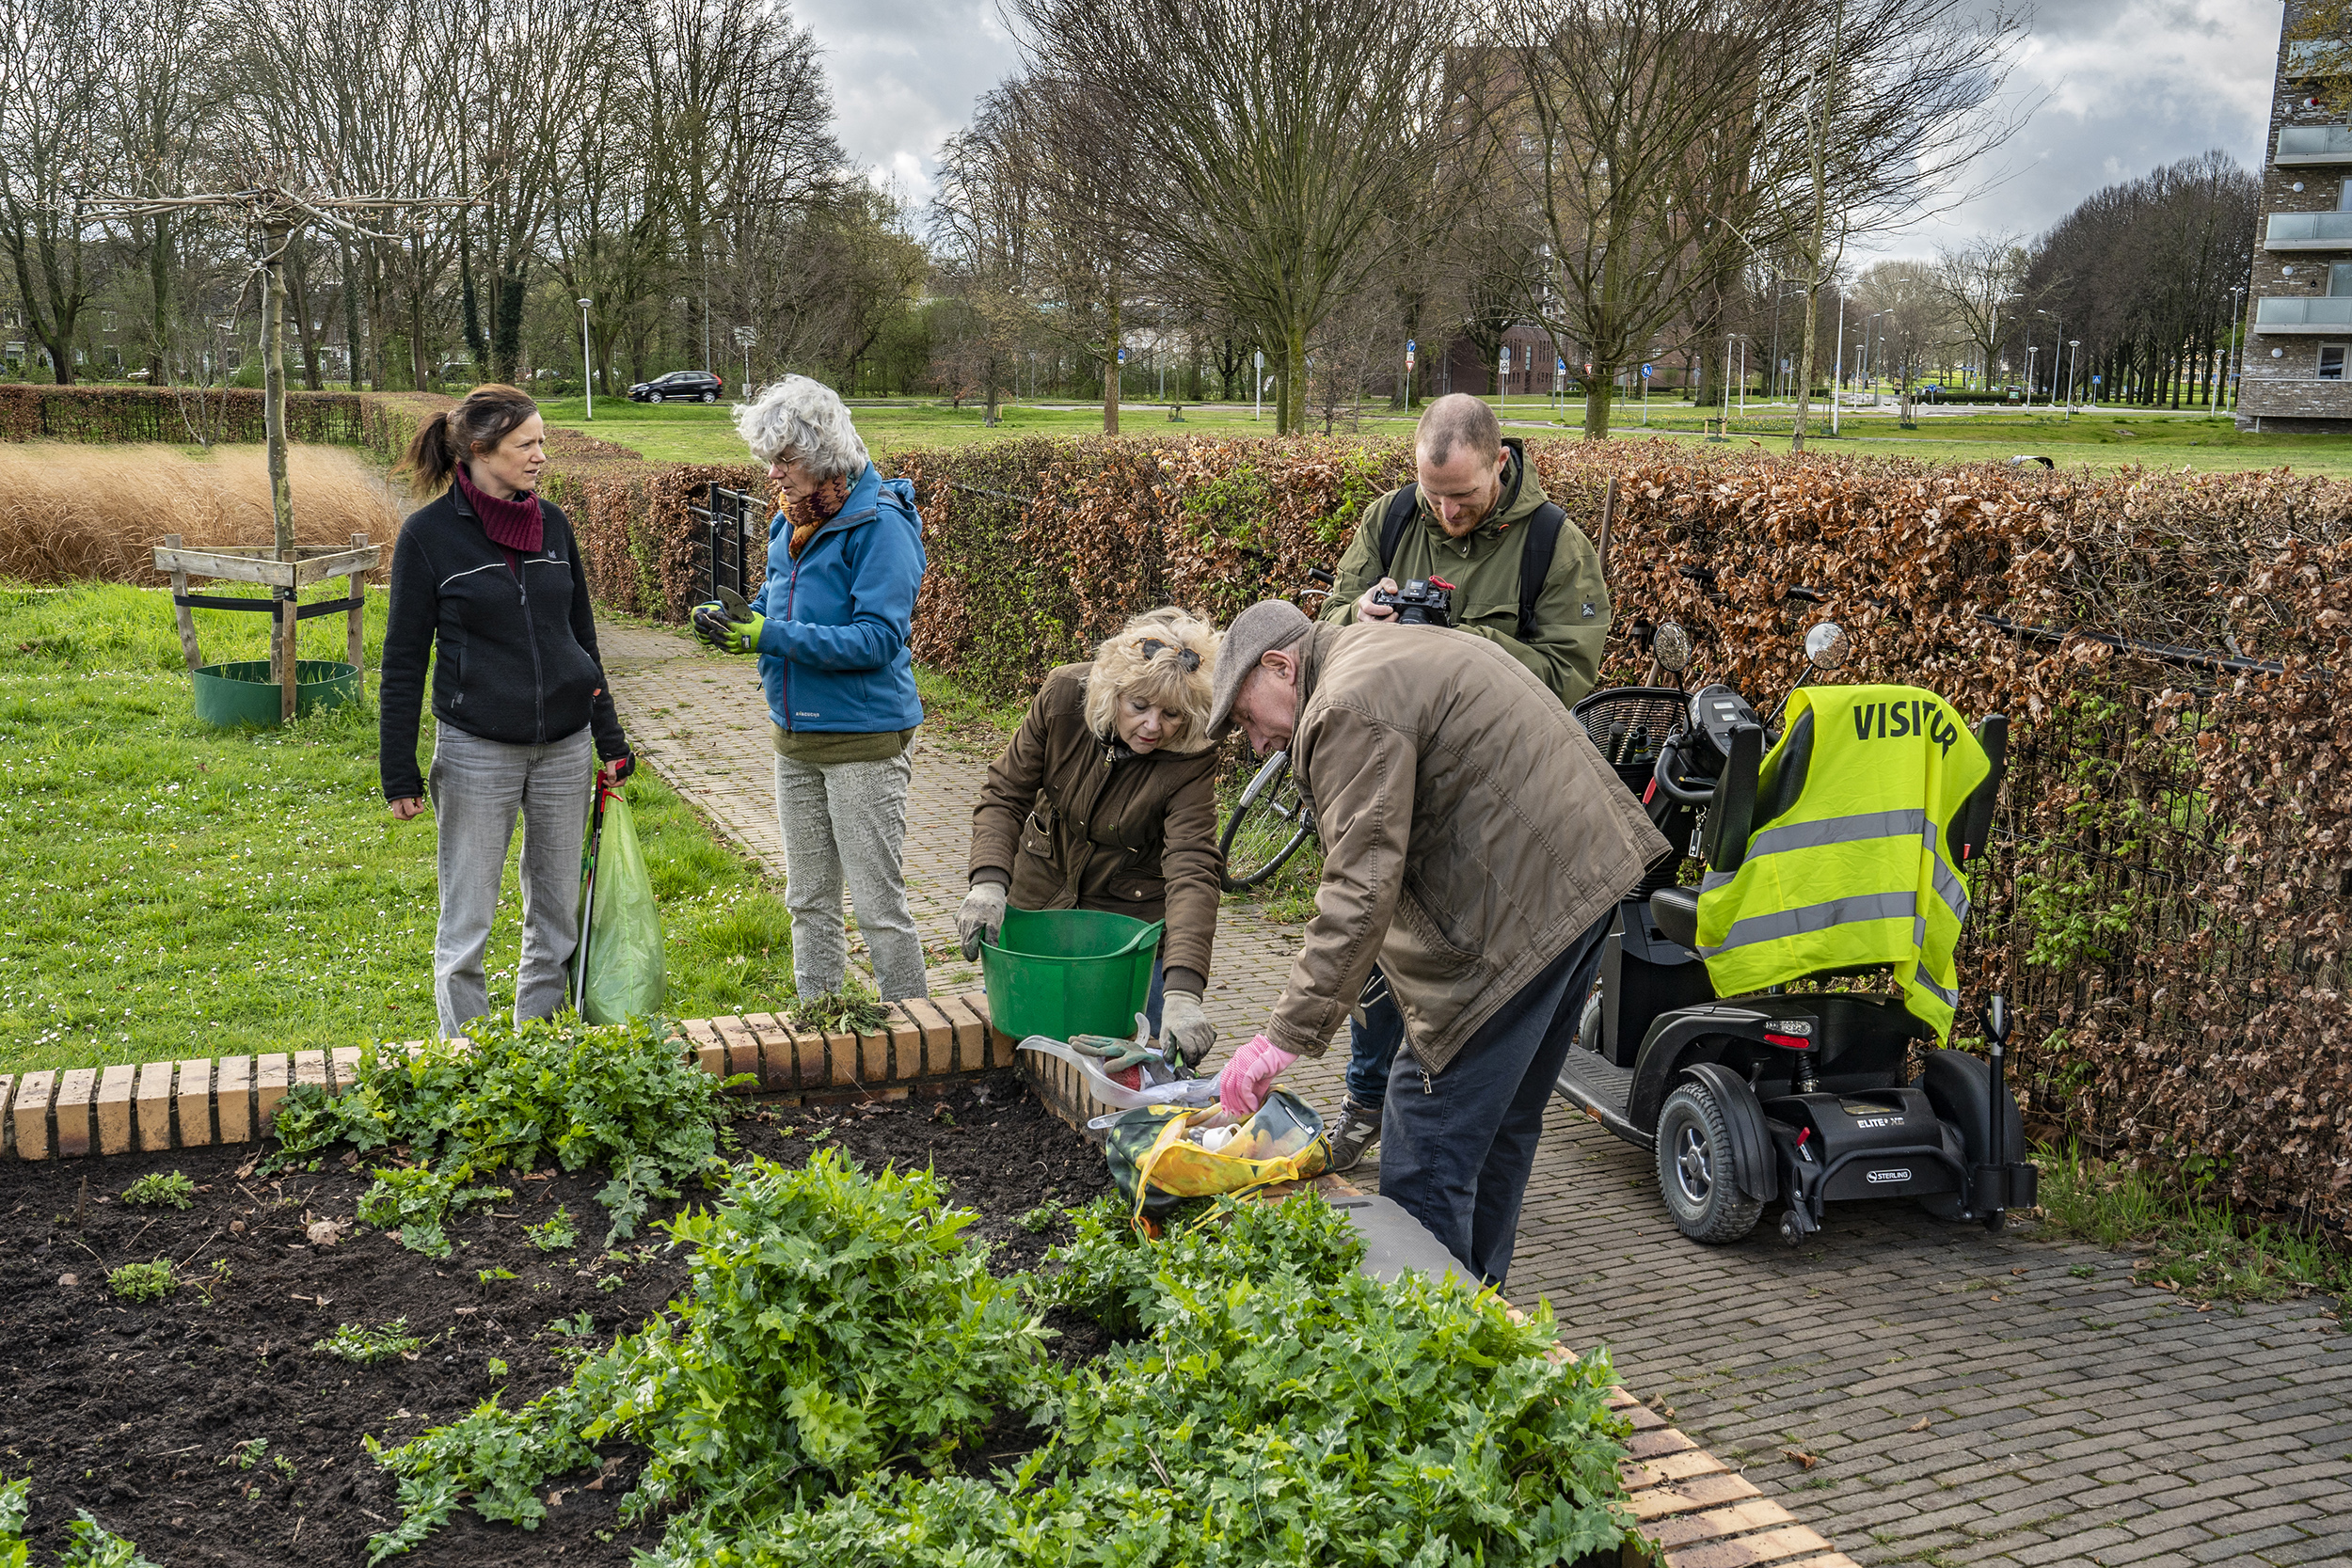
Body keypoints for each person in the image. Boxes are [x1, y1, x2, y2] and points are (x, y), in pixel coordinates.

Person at [1205, 599, 1666, 1289]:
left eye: (1246, 716)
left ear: (1280, 664)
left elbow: (1360, 887)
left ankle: (1426, 1343)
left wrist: (1282, 1037)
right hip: (1580, 879)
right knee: (1504, 1120)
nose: (1256, 742)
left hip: (1517, 913)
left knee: (1427, 1133)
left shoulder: (1344, 704)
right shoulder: (1379, 653)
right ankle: (1483, 1315)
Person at [1314, 392, 1613, 1173]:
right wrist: (1364, 616)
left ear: (1500, 464)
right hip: (1396, 772)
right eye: (1433, 495)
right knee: (1382, 939)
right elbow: (1331, 618)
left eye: (1465, 496)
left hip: (1492, 800)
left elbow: (1568, 672)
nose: (1446, 512)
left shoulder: (1555, 544)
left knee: (1472, 963)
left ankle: (1465, 1125)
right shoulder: (1389, 521)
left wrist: (1458, 650)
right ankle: (1365, 1098)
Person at [380, 384, 633, 1039]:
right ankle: (468, 1069)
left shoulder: (555, 525)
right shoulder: (428, 538)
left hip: (565, 748)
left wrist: (610, 739)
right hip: (475, 750)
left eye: (541, 441)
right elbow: (404, 660)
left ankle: (539, 1053)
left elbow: (583, 638)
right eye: (527, 443)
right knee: (467, 923)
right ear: (478, 450)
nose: (541, 455)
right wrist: (398, 770)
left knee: (556, 919)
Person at [697, 375, 929, 1003]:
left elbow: (877, 640)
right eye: (768, 459)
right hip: (794, 737)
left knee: (879, 908)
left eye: (786, 459)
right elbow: (776, 607)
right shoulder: (788, 523)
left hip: (865, 741)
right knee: (808, 901)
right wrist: (740, 621)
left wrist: (771, 636)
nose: (773, 474)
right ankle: (819, 1029)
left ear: (824, 454)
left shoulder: (882, 526)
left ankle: (923, 1038)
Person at [959, 608, 1223, 1066]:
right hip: (1039, 910)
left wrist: (1184, 992)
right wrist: (987, 883)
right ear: (1112, 692)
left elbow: (1193, 867)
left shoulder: (1192, 755)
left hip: (1125, 933)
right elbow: (1004, 794)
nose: (1153, 727)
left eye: (1172, 714)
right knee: (1021, 1054)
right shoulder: (1063, 698)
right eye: (1138, 706)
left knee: (1127, 1070)